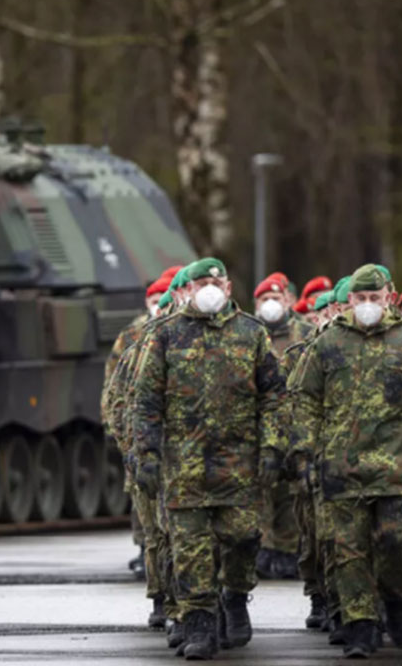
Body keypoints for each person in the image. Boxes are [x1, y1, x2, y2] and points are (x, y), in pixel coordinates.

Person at [290, 264, 402, 658]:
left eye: (373, 298)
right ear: (349, 301)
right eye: (360, 299)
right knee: (348, 553)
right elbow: (307, 401)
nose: (366, 306)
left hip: (397, 469)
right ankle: (360, 624)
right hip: (341, 470)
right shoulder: (327, 345)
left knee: (398, 545)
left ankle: (398, 601)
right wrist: (302, 452)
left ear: (388, 298)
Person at [133, 258, 285, 660]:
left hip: (238, 466)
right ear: (190, 287)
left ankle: (234, 595)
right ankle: (199, 623)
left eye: (216, 281)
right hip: (184, 468)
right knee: (190, 549)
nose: (209, 287)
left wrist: (272, 447)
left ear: (229, 287)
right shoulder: (166, 335)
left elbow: (273, 395)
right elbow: (147, 400)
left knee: (242, 538)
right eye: (202, 281)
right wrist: (146, 453)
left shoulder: (251, 333)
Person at [104, 266, 181, 577]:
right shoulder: (133, 338)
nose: (159, 303)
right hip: (143, 434)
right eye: (154, 298)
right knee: (142, 499)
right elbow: (115, 387)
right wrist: (120, 434)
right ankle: (147, 553)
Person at [254, 274, 315, 579]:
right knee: (263, 486)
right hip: (262, 426)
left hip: (296, 423)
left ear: (287, 301)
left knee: (293, 489)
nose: (270, 305)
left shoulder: (305, 332)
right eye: (264, 300)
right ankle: (265, 545)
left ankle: (289, 548)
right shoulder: (251, 333)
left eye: (275, 299)